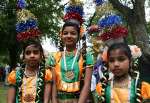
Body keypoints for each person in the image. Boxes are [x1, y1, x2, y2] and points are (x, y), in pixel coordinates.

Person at [47, 21, 94, 103]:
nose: (69, 36)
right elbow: (53, 84)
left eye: (73, 33)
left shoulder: (86, 56)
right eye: (65, 33)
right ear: (61, 36)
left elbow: (87, 84)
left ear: (78, 36)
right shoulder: (54, 57)